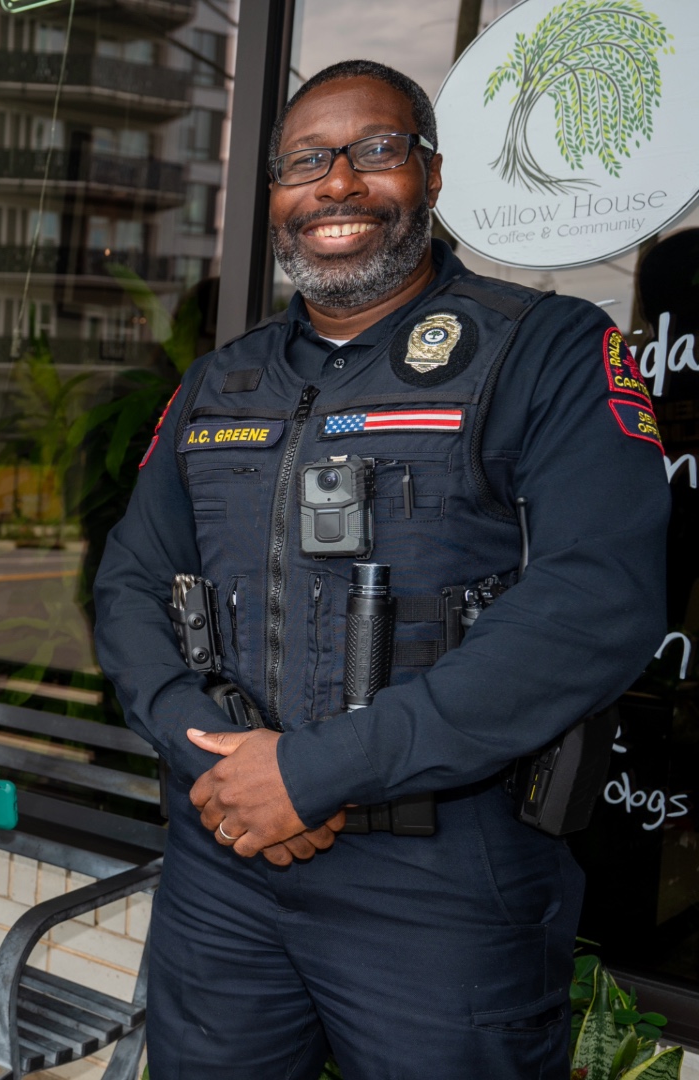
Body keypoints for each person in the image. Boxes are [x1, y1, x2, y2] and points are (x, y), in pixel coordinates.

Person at [93, 60, 670, 1078]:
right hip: (228, 865)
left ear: (433, 176)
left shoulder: (547, 352)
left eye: (376, 150)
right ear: (275, 198)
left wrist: (313, 776)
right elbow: (131, 586)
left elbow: (593, 605)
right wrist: (223, 763)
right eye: (306, 162)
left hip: (443, 884)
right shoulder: (219, 384)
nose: (338, 185)